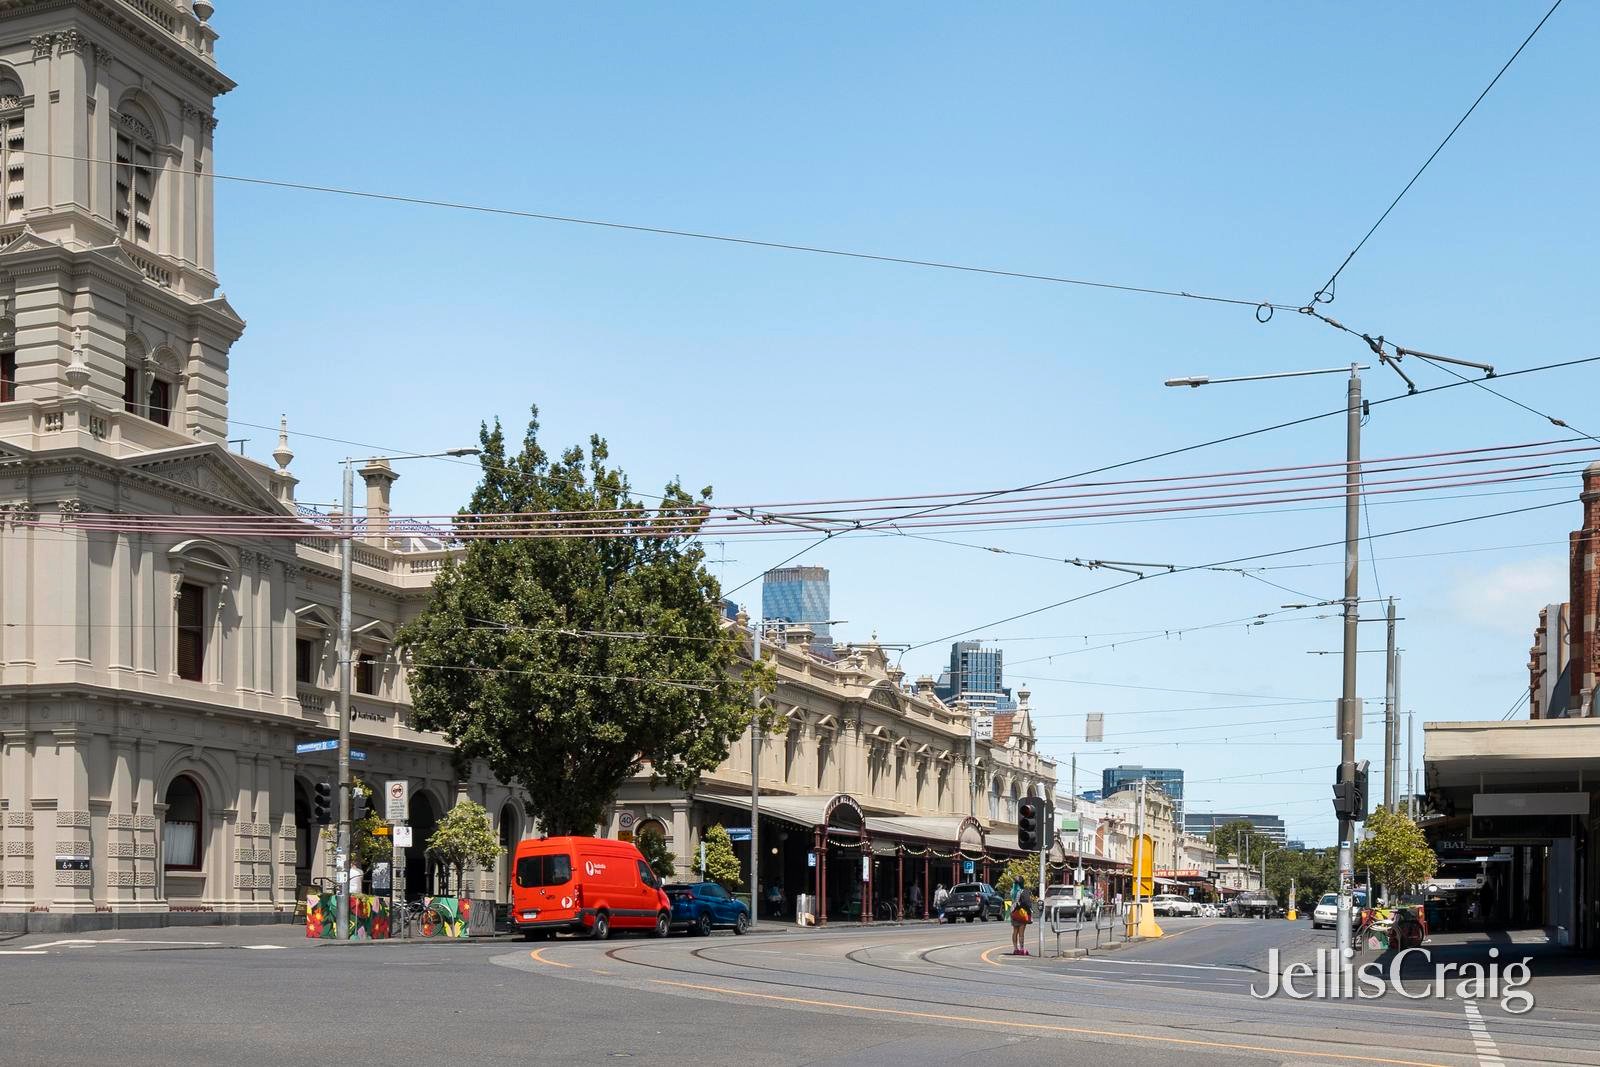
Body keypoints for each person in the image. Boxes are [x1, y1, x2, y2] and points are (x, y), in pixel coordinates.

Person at [1011, 882, 1034, 955]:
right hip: (1021, 913)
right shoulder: (1023, 891)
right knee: (1021, 933)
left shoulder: (1013, 891)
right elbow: (1026, 902)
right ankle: (1021, 949)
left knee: (1015, 931)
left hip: (1014, 912)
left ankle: (1015, 949)